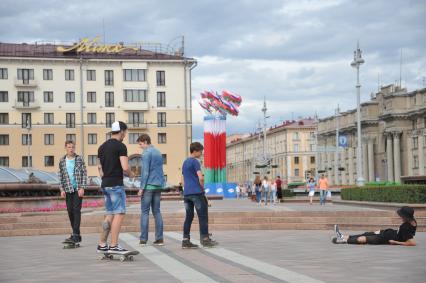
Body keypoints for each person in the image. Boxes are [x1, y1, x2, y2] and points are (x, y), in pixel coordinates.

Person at [97, 121, 134, 254]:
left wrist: (105, 177)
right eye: (125, 132)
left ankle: (102, 244)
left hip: (105, 184)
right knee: (119, 213)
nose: (125, 135)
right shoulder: (121, 146)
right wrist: (131, 174)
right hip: (116, 184)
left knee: (110, 214)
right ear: (122, 131)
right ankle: (114, 245)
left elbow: (100, 169)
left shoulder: (101, 147)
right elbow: (125, 167)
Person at [181, 142, 218, 248]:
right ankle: (205, 239)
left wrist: (186, 189)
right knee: (203, 216)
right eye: (201, 151)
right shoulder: (195, 162)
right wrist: (202, 188)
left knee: (189, 217)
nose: (201, 153)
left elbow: (182, 179)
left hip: (187, 194)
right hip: (197, 193)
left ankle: (185, 240)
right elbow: (200, 177)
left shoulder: (185, 162)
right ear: (195, 151)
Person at [332, 206, 417, 246]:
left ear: (406, 216)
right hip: (386, 233)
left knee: (362, 239)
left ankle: (343, 241)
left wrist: (395, 242)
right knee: (365, 234)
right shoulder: (412, 221)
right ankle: (342, 236)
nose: (400, 217)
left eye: (401, 216)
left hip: (385, 238)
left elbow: (412, 243)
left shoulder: (407, 227)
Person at [137, 134, 165, 246]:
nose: (140, 147)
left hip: (148, 186)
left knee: (144, 212)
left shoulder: (146, 153)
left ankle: (143, 239)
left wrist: (141, 188)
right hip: (158, 186)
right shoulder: (158, 152)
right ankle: (160, 239)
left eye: (140, 144)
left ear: (145, 141)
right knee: (157, 211)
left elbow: (145, 172)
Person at [59, 140, 87, 244]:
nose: (71, 149)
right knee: (70, 211)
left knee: (76, 210)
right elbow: (60, 175)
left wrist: (82, 187)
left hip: (77, 189)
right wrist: (61, 189)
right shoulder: (62, 160)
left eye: (72, 147)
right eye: (69, 147)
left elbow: (84, 173)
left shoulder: (79, 159)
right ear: (65, 148)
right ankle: (77, 234)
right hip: (67, 189)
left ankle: (75, 235)